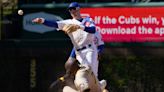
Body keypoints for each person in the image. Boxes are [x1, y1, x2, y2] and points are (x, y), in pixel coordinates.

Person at [32, 2, 105, 91]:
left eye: (74, 8)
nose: (72, 11)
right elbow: (55, 24)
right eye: (70, 10)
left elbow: (92, 30)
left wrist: (79, 27)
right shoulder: (68, 22)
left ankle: (96, 85)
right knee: (87, 74)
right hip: (79, 52)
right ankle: (96, 85)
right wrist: (43, 21)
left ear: (78, 9)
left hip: (90, 49)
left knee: (89, 71)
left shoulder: (88, 20)